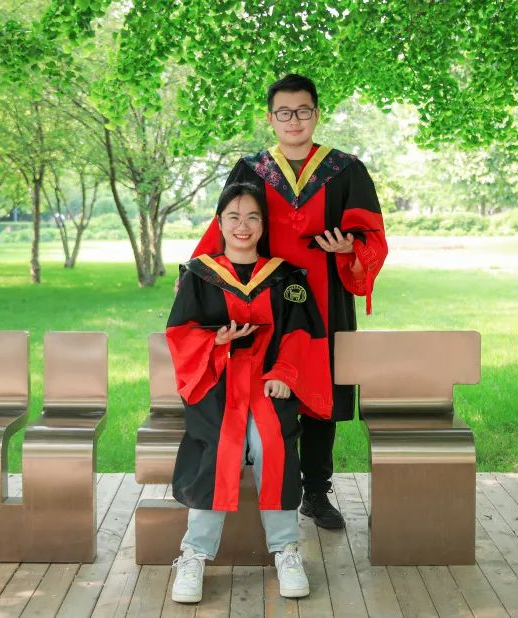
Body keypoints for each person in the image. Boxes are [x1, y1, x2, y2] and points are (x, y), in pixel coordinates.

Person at [190, 74, 387, 530]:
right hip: (262, 301)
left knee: (320, 394)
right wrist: (198, 277)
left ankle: (315, 492)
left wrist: (350, 249)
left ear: (316, 114)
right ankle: (269, 489)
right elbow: (225, 227)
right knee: (267, 389)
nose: (293, 120)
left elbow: (371, 236)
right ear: (270, 118)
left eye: (302, 111)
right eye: (284, 112)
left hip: (325, 298)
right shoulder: (250, 170)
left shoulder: (346, 169)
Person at [167, 182, 332, 603]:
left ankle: (287, 550)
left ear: (264, 224)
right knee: (221, 445)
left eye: (253, 217)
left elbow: (302, 333)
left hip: (268, 386)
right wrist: (216, 341)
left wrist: (285, 372)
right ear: (220, 223)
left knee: (270, 443)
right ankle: (193, 554)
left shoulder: (287, 278)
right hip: (217, 386)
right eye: (234, 217)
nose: (243, 226)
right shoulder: (198, 275)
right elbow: (181, 334)